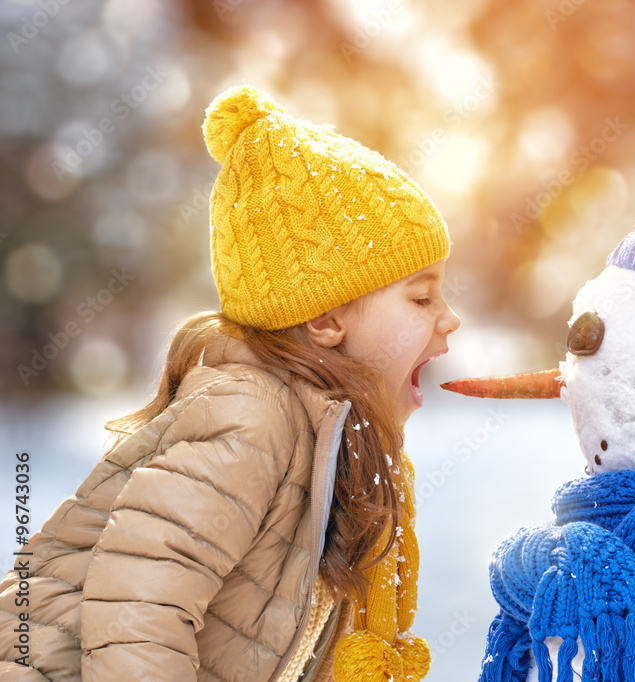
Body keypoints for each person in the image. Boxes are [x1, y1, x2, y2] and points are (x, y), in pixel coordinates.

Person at [0, 84, 460, 682]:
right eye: (422, 297)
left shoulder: (335, 438)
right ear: (324, 318)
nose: (450, 318)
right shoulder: (251, 417)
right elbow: (137, 606)